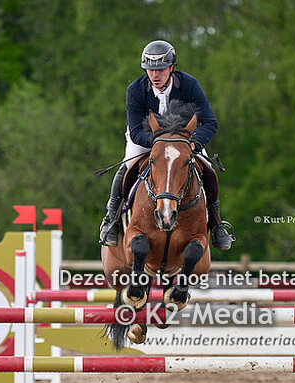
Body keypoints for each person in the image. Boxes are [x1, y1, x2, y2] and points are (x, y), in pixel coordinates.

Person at [99, 39, 235, 251]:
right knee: (126, 167)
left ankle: (217, 224)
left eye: (161, 69)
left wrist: (195, 144)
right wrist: (157, 145)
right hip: (146, 138)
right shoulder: (135, 90)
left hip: (184, 140)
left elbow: (210, 122)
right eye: (150, 69)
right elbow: (135, 131)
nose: (155, 75)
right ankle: (111, 220)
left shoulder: (189, 85)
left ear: (172, 68)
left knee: (208, 168)